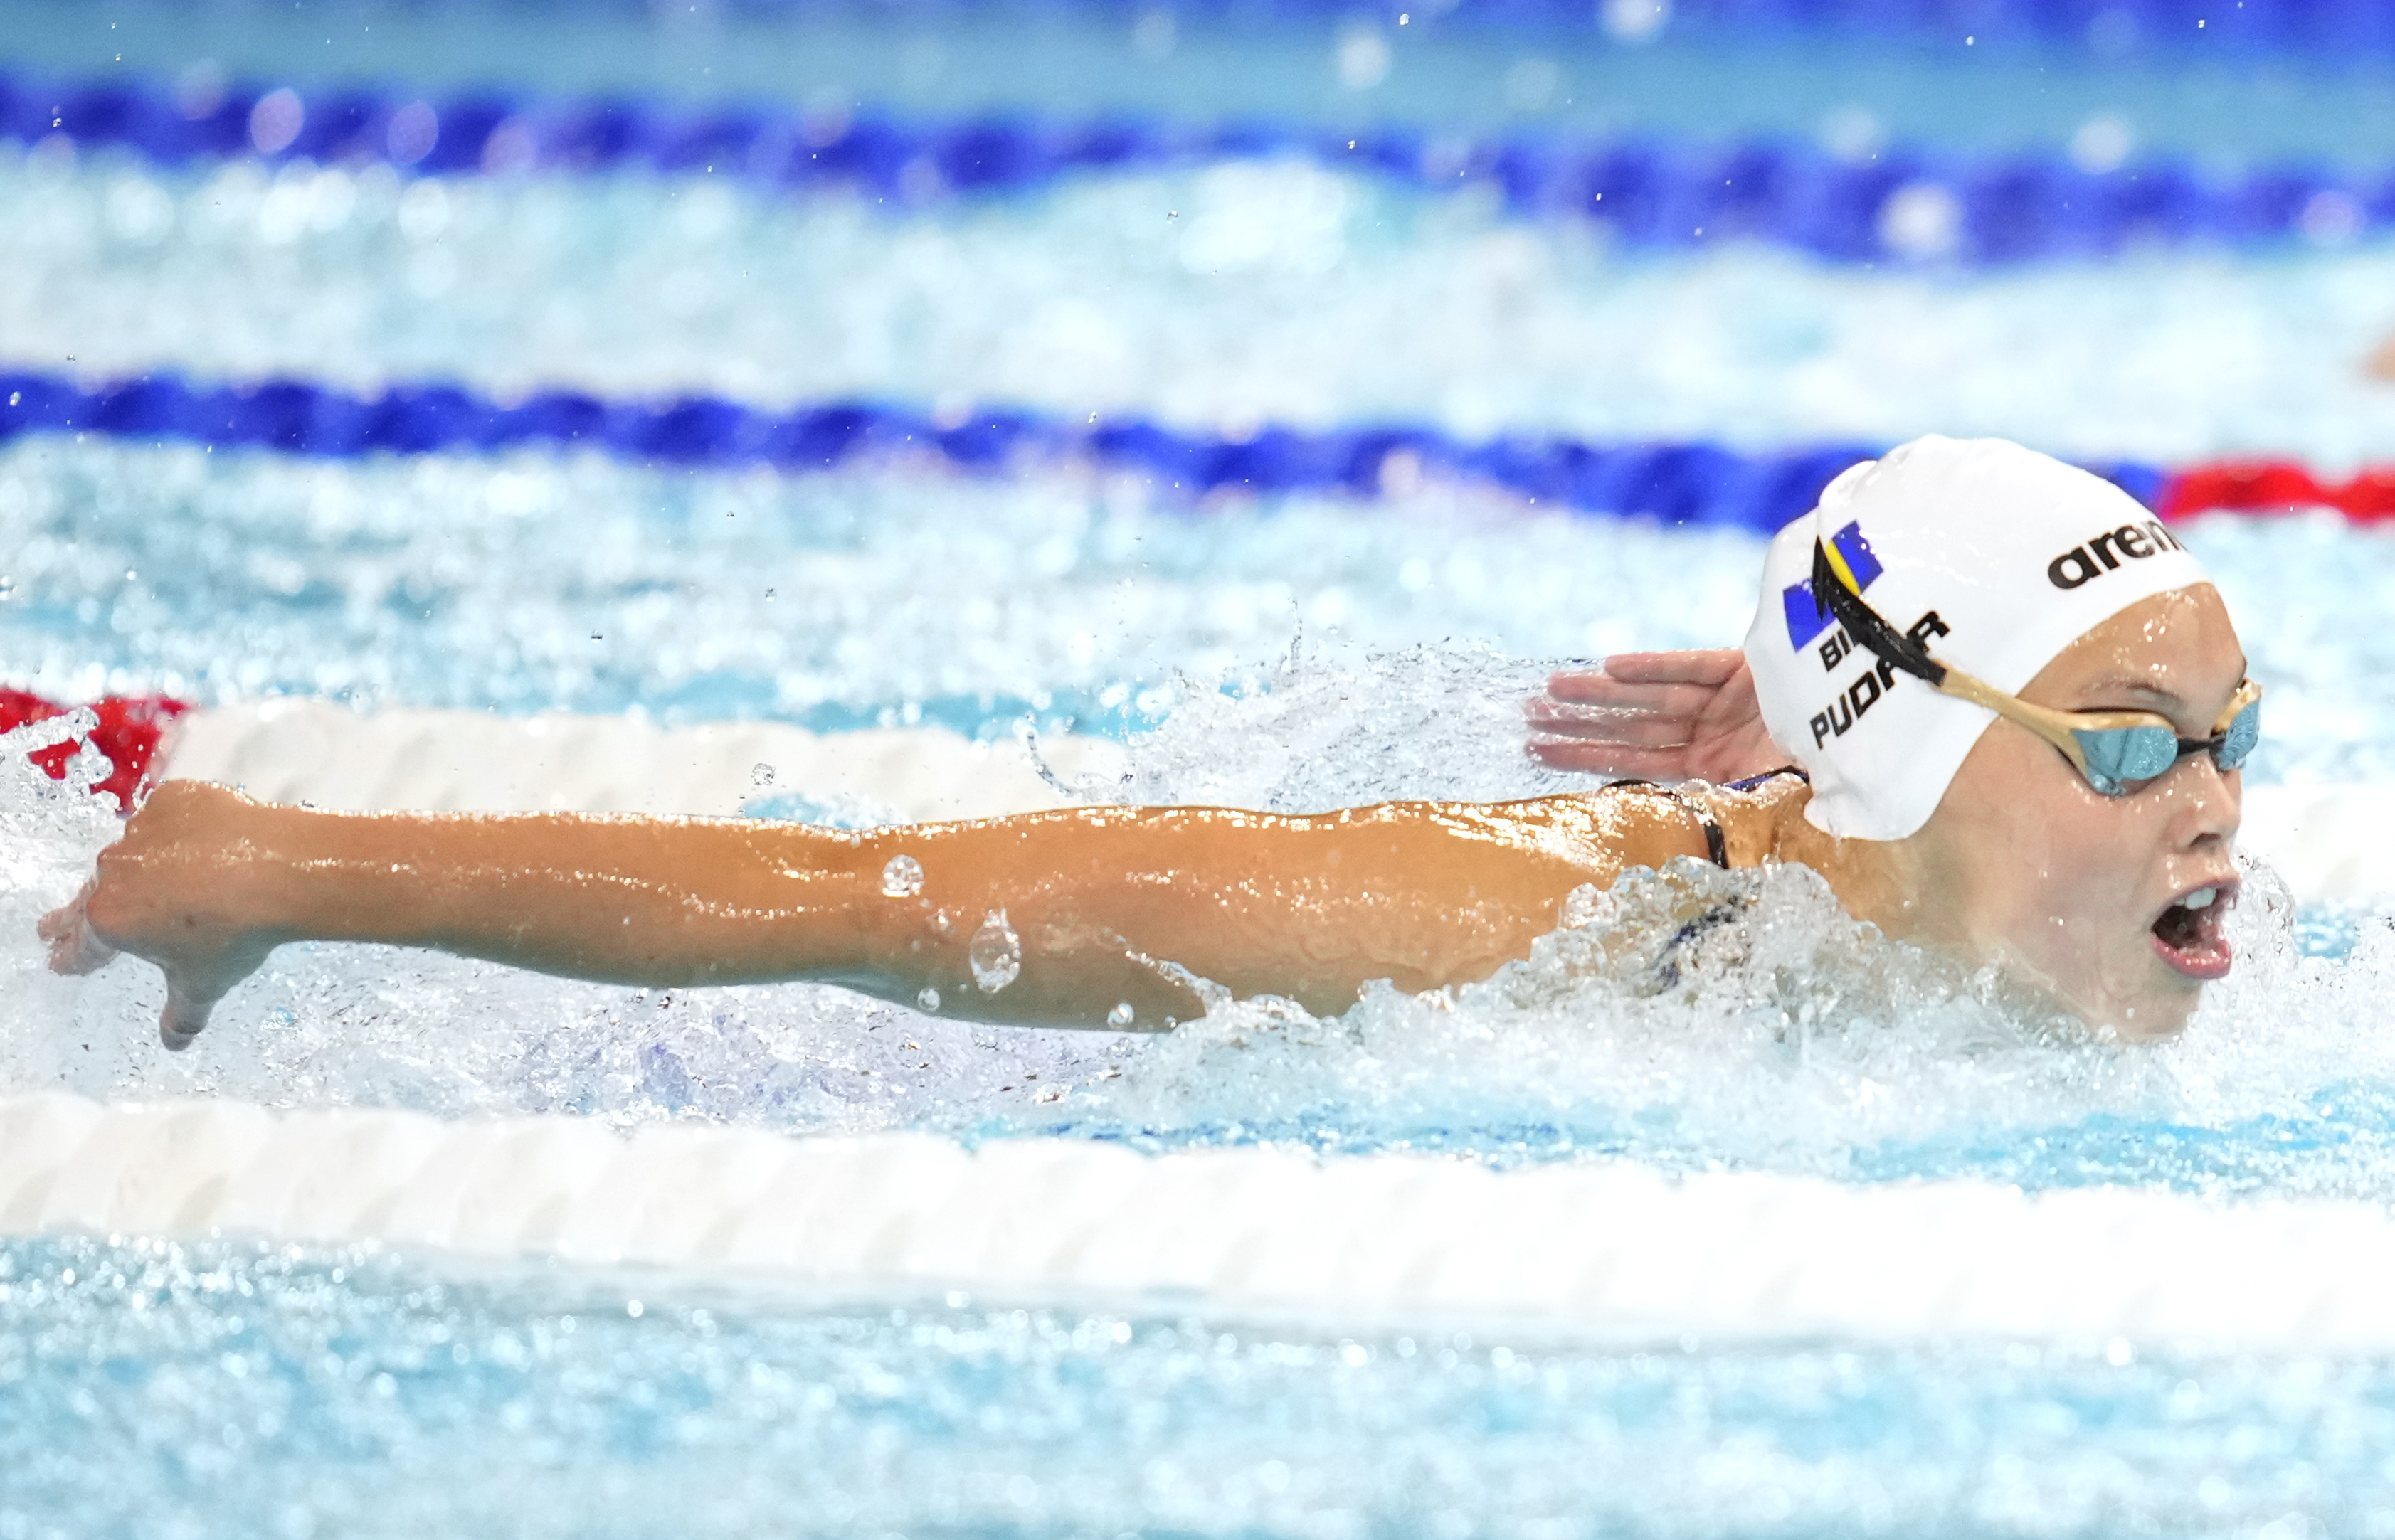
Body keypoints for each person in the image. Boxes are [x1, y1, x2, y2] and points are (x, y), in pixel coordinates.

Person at [39, 435, 2256, 1048]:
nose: (2224, 806)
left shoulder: (2076, 919)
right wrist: (278, 866)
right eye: (2140, 748)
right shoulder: (1532, 927)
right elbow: (866, 902)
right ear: (1888, 754)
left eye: (2240, 737)